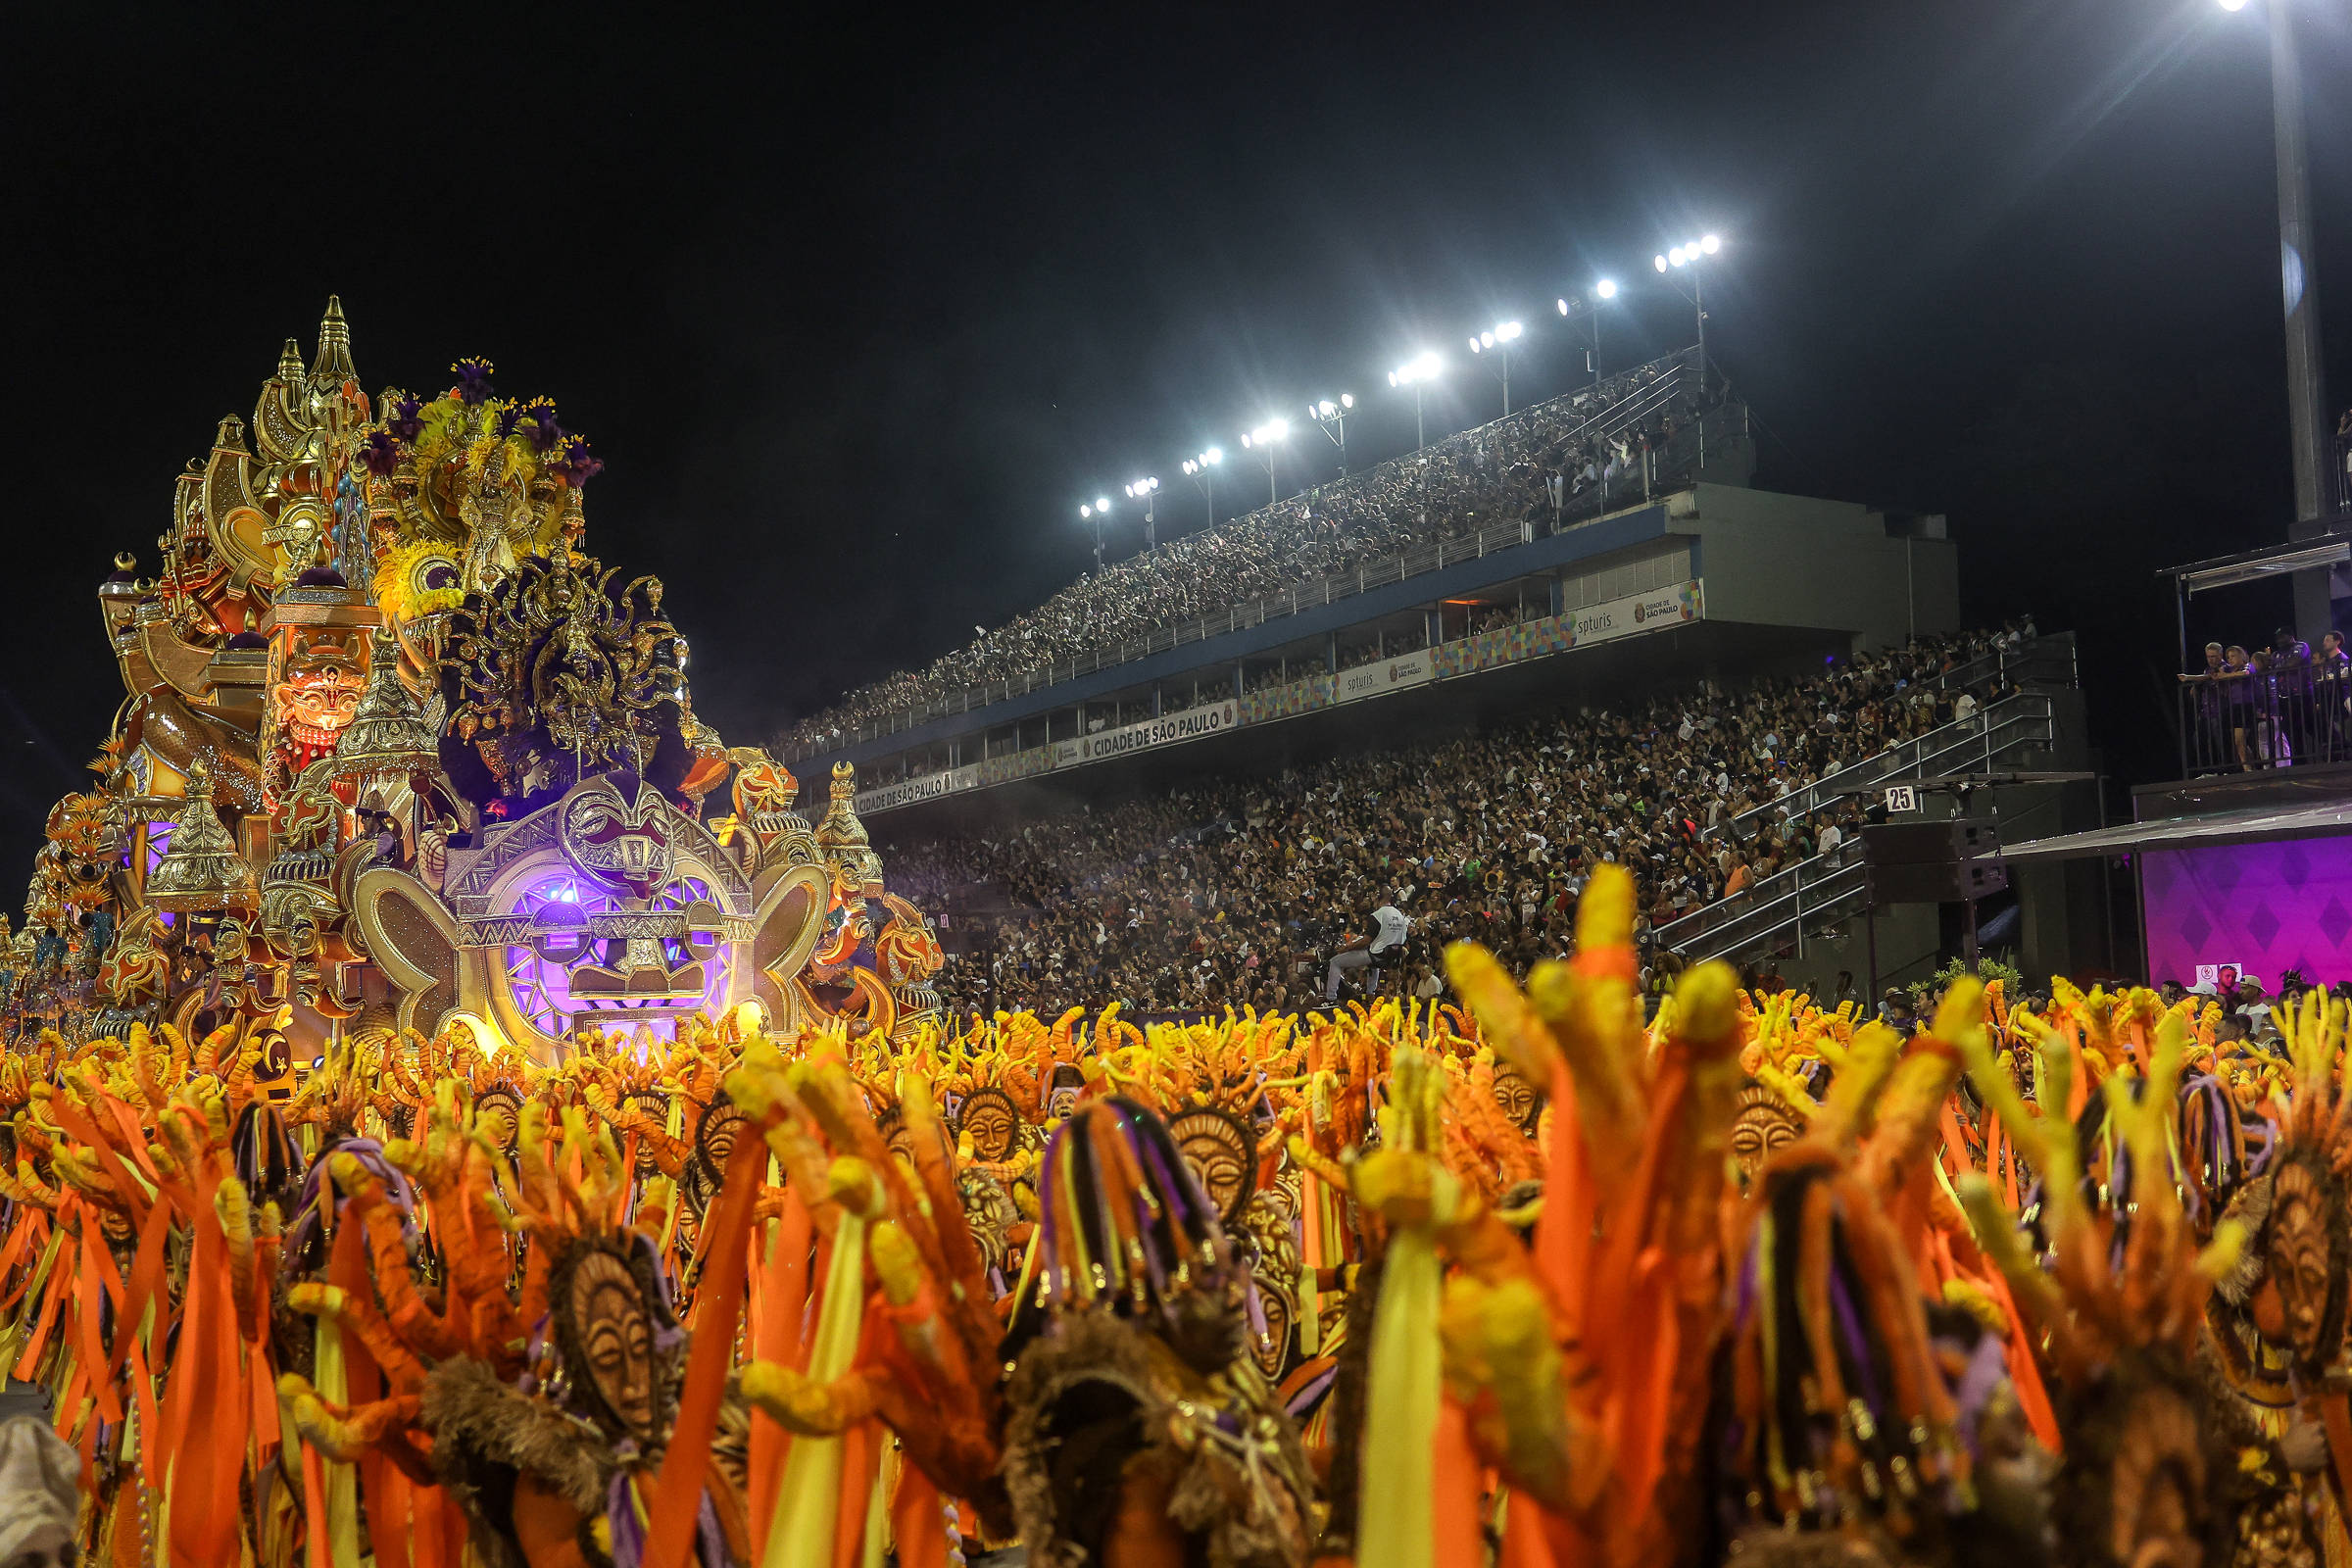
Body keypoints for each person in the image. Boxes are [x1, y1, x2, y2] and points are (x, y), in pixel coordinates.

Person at [1324, 895, 1411, 1002]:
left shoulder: (1378, 915)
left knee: (1335, 962)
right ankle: (1371, 995)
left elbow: (1365, 941)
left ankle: (1330, 999)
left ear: (1380, 901)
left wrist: (1347, 948)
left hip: (1376, 955)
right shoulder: (1400, 916)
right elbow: (1403, 938)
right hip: (1392, 955)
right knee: (1373, 965)